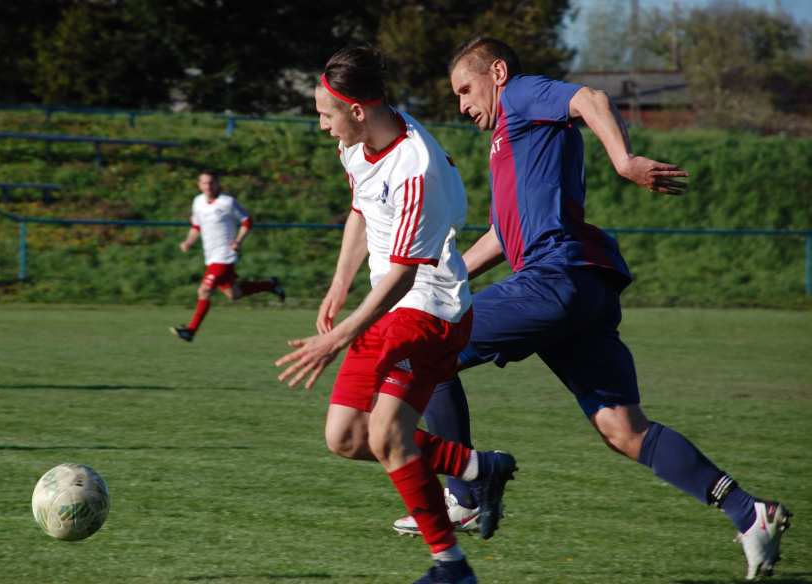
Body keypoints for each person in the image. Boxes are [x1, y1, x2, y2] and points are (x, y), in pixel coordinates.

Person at [394, 37, 792, 581]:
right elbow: (500, 236)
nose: (462, 104)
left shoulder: (522, 95)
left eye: (466, 89)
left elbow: (590, 98)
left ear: (499, 72)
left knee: (424, 350)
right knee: (623, 429)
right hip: (581, 288)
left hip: (554, 278)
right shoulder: (510, 142)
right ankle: (749, 513)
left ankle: (464, 490)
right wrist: (439, 275)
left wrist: (624, 161)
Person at [275, 46, 517, 584]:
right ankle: (477, 477)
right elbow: (362, 209)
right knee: (351, 438)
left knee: (378, 436)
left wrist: (339, 337)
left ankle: (452, 556)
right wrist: (339, 283)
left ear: (358, 110)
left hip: (429, 312)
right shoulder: (358, 145)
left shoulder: (417, 168)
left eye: (326, 114)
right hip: (398, 306)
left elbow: (404, 275)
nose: (322, 126)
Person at [171, 170, 285, 342]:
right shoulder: (198, 202)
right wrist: (188, 242)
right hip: (210, 257)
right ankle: (270, 284)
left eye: (211, 182)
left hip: (224, 256)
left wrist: (238, 241)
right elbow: (196, 226)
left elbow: (247, 221)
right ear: (199, 185)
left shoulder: (228, 202)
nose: (207, 186)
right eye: (204, 183)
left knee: (204, 290)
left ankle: (191, 330)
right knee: (234, 294)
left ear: (217, 183)